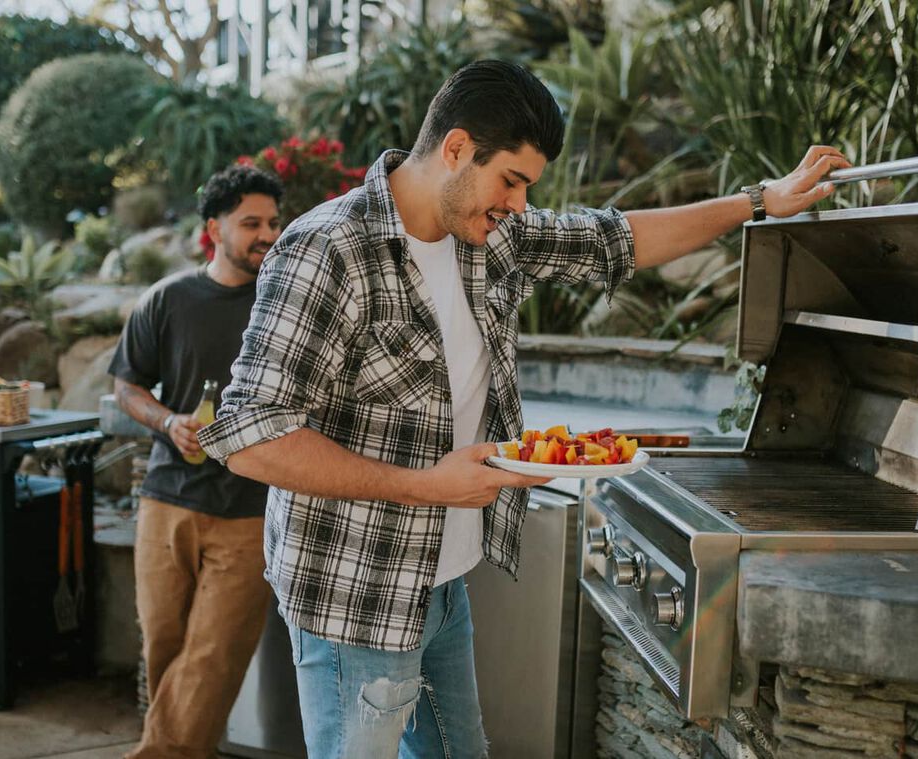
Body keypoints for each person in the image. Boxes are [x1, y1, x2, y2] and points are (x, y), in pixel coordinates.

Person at [198, 60, 850, 758]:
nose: (518, 201)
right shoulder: (326, 249)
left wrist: (758, 201)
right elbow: (251, 436)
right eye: (511, 179)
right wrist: (426, 485)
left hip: (443, 584)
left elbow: (618, 239)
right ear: (454, 149)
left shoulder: (491, 234)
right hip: (356, 596)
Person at [108, 165, 284, 759]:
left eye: (273, 223)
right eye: (251, 223)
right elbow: (126, 387)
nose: (267, 234)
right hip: (166, 501)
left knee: (212, 656)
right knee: (165, 649)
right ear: (214, 228)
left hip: (249, 511)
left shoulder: (284, 306)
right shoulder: (168, 299)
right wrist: (168, 421)